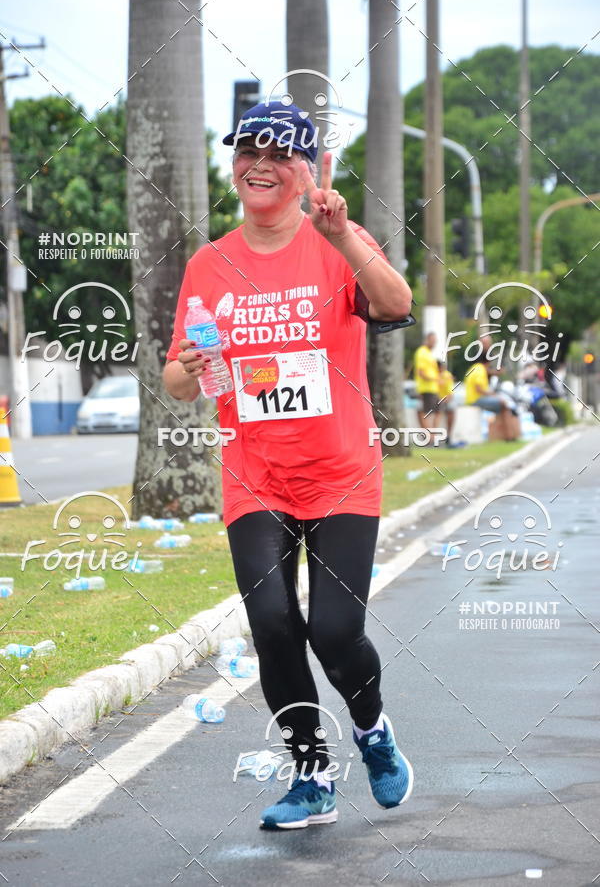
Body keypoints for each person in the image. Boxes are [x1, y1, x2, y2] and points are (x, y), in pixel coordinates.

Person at [163, 102, 414, 830]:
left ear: (307, 171)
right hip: (254, 476)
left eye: (279, 154)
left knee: (335, 632)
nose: (260, 164)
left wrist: (342, 236)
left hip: (340, 473)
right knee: (272, 623)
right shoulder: (209, 264)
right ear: (234, 164)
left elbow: (396, 301)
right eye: (248, 150)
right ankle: (311, 776)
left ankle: (371, 731)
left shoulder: (337, 239)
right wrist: (194, 365)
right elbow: (182, 380)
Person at [464, 351, 519, 438]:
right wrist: (493, 394)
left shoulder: (476, 368)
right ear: (488, 361)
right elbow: (479, 389)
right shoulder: (480, 370)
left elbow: (489, 372)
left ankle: (506, 435)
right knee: (504, 404)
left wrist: (497, 372)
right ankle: (509, 436)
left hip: (473, 399)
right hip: (476, 399)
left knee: (503, 407)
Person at [414, 332, 440, 439]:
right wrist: (435, 379)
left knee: (437, 412)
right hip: (426, 388)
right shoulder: (422, 352)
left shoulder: (429, 353)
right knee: (426, 413)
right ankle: (429, 437)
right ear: (427, 340)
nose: (434, 343)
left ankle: (432, 436)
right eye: (432, 340)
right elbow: (421, 372)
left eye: (435, 341)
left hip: (434, 388)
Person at [437, 359, 458, 446]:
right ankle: (434, 437)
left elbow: (450, 394)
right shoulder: (432, 375)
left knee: (451, 408)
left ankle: (448, 436)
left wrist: (442, 401)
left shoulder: (446, 375)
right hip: (434, 399)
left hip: (443, 399)